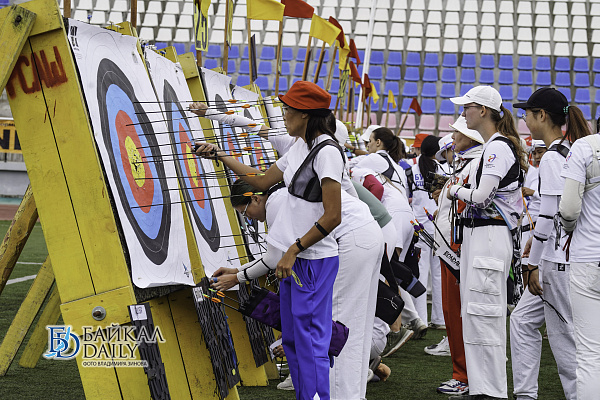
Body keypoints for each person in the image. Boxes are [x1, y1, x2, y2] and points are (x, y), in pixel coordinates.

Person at [193, 81, 346, 400]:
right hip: (297, 260)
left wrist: (293, 249)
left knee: (309, 342)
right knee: (293, 339)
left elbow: (333, 216)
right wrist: (220, 155)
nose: (283, 114)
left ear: (305, 115)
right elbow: (262, 181)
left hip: (312, 260)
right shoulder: (300, 147)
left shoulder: (327, 152)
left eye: (287, 109)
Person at [446, 86, 527, 400]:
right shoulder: (496, 146)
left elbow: (481, 197)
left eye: (467, 107)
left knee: (484, 314)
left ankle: (490, 391)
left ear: (483, 110)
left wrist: (455, 190)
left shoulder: (497, 148)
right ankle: (483, 388)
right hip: (482, 235)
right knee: (476, 314)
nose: (463, 113)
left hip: (490, 235)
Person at [511, 88, 590, 400]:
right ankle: (525, 394)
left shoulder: (553, 157)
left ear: (541, 115)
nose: (524, 119)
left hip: (557, 261)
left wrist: (533, 263)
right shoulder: (566, 151)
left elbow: (548, 214)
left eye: (527, 114)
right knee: (521, 321)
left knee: (564, 338)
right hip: (558, 256)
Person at [426, 117, 484, 397]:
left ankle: (464, 375)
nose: (452, 137)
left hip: (457, 246)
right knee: (452, 312)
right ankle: (463, 373)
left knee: (459, 313)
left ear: (471, 136)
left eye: (457, 132)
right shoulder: (465, 163)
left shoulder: (476, 162)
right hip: (449, 245)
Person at [559, 109, 600, 400]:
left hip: (588, 256)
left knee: (589, 353)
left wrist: (570, 228)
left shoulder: (585, 146)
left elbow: (569, 209)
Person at [411, 134, 446, 330]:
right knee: (439, 276)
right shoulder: (444, 169)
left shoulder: (411, 169)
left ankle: (420, 319)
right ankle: (440, 319)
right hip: (439, 228)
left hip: (419, 229)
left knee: (420, 273)